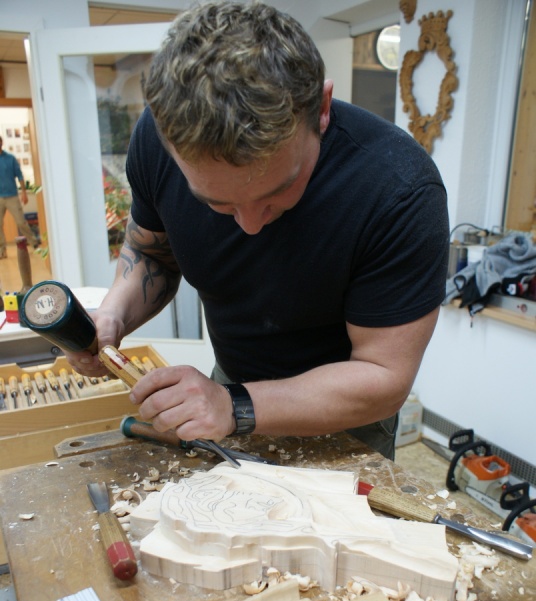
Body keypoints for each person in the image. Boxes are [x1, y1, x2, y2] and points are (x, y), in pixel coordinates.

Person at [67, 1, 449, 460]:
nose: (249, 225)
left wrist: (234, 405)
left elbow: (382, 377)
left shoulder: (399, 189)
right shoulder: (158, 140)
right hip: (229, 389)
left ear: (321, 108)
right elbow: (152, 253)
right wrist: (114, 315)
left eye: (279, 191)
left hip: (345, 418)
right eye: (217, 203)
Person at [0, 136, 39, 257]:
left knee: (21, 222)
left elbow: (19, 175)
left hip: (12, 196)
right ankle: (2, 250)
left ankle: (34, 243)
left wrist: (24, 192)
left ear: (1, 143)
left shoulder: (10, 158)